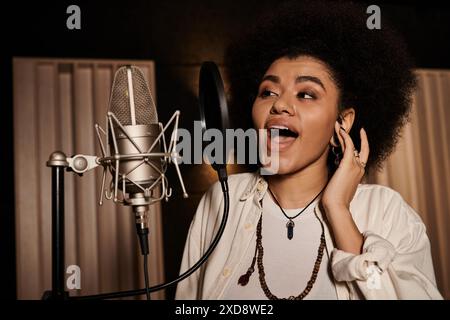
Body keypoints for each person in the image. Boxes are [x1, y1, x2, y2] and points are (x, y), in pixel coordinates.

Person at [175, 0, 443, 299]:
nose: (279, 104)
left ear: (342, 122)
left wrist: (338, 210)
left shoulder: (387, 212)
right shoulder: (220, 202)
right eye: (268, 92)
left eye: (306, 94)